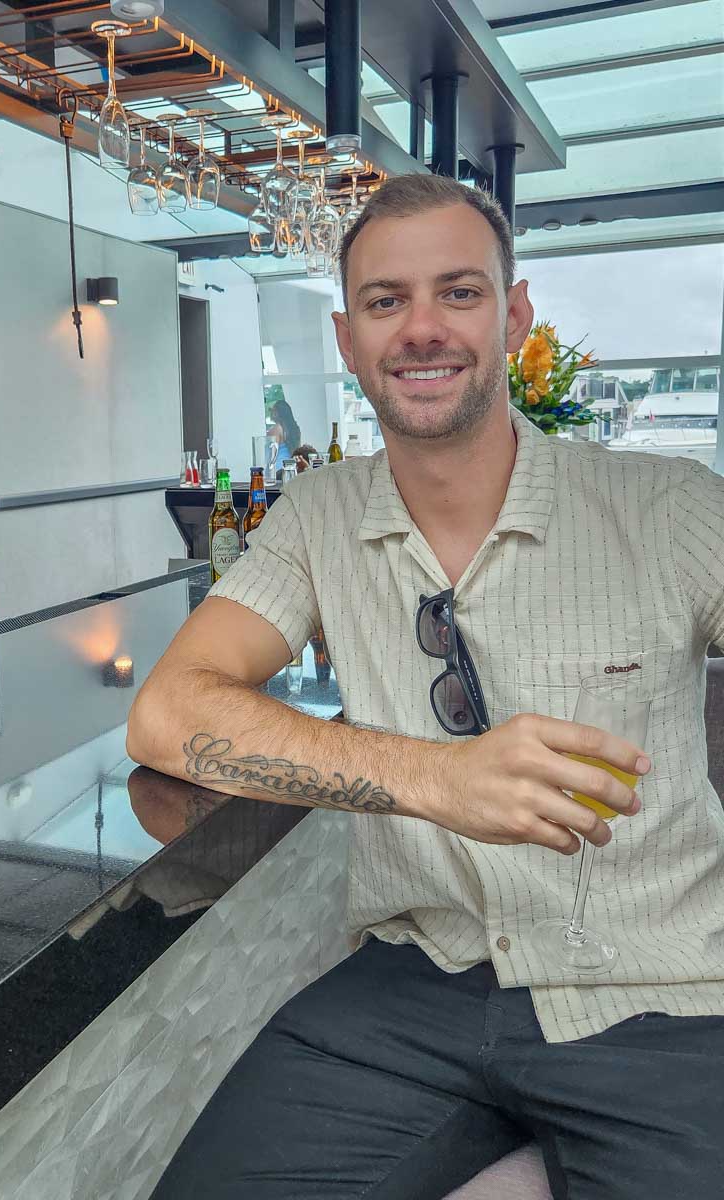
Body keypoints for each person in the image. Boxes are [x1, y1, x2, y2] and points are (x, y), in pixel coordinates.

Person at [127, 173, 724, 1199]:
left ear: (515, 315)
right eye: (385, 301)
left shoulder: (668, 506)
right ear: (349, 338)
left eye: (459, 291)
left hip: (665, 994)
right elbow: (169, 714)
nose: (422, 329)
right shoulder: (318, 515)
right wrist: (438, 780)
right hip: (414, 988)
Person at [266, 395, 301, 462]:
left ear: (277, 413)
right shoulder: (295, 429)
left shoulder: (277, 429)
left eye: (272, 410)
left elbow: (271, 454)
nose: (270, 413)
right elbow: (298, 451)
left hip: (278, 467)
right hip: (290, 465)